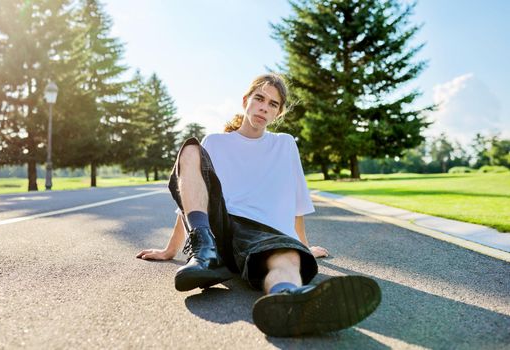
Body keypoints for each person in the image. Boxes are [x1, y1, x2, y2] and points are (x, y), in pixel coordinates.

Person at [137, 73, 381, 337]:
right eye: (259, 98)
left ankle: (290, 300)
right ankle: (204, 252)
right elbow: (192, 198)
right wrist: (170, 249)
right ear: (246, 101)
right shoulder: (216, 142)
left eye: (273, 104)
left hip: (263, 236)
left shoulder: (285, 144)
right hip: (221, 227)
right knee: (191, 148)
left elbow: (297, 200)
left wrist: (303, 246)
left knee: (287, 257)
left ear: (278, 113)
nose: (264, 106)